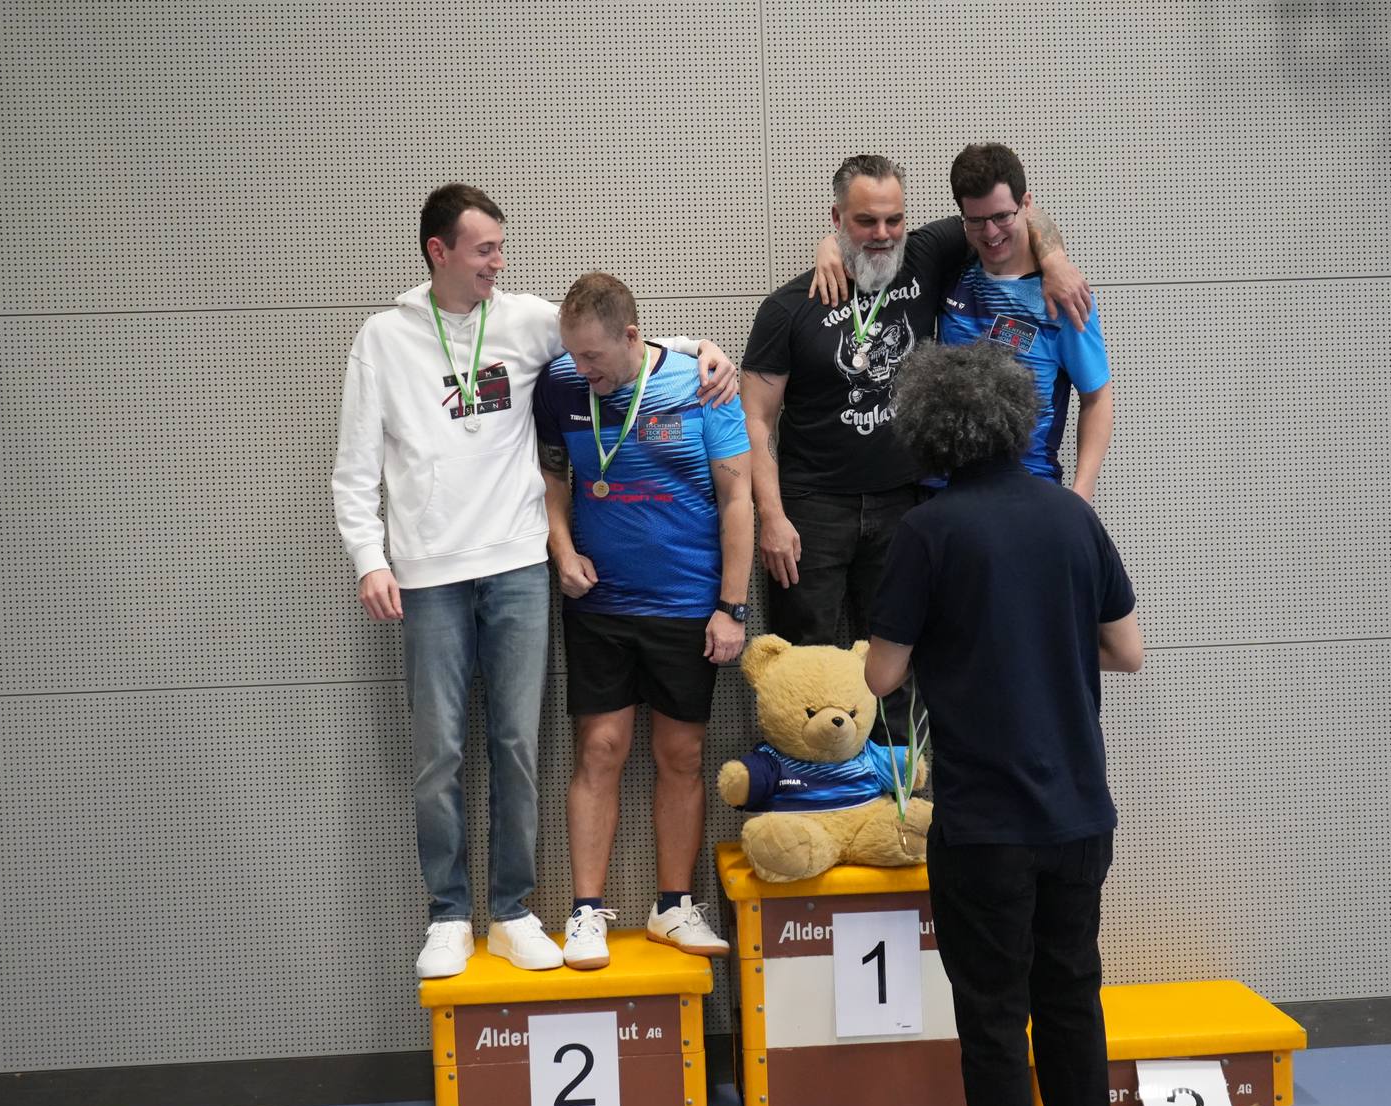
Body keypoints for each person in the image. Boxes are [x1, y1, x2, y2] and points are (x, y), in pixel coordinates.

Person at [332, 184, 736, 980]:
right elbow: (354, 469)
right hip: (429, 573)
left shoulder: (520, 319)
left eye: (500, 247)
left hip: (518, 564)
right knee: (439, 753)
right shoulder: (382, 339)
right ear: (439, 251)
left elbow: (616, 336)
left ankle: (513, 909)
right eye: (485, 249)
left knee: (518, 746)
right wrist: (369, 558)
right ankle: (449, 914)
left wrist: (701, 348)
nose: (500, 261)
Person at [863, 342, 1144, 1106]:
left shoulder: (927, 531)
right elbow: (1127, 650)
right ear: (1019, 418)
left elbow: (882, 676)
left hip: (984, 824)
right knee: (1071, 998)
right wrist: (1045, 638)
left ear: (927, 429)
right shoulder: (1073, 515)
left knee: (993, 1017)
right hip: (1080, 814)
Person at [742, 155, 1090, 706]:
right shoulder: (787, 309)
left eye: (894, 219)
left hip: (906, 503)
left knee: (901, 670)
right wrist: (773, 517)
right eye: (865, 221)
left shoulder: (926, 257)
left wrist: (1055, 259)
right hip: (812, 512)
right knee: (806, 669)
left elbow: (1016, 215)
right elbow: (755, 419)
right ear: (837, 218)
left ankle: (901, 767)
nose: (883, 234)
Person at [533, 273, 751, 970]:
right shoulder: (561, 384)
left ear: (631, 336)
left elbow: (738, 498)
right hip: (599, 604)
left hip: (686, 603)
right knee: (600, 750)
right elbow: (553, 479)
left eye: (594, 356)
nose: (583, 370)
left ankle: (673, 906)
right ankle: (585, 912)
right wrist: (561, 550)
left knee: (682, 754)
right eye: (574, 355)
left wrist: (732, 606)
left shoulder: (702, 383)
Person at [940, 143, 1113, 500]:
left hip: (1028, 494)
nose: (991, 233)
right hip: (945, 496)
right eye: (976, 221)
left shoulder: (1063, 296)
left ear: (1027, 206)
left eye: (1002, 216)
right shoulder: (949, 271)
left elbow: (1097, 398)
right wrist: (830, 247)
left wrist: (1081, 495)